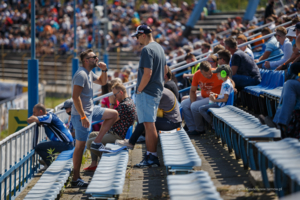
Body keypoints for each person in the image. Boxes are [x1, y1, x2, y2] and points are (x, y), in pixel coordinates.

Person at [71, 49, 118, 187]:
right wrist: (83, 116)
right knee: (80, 147)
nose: (97, 59)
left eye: (96, 56)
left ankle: (97, 141)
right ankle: (75, 179)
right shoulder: (81, 74)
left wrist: (104, 70)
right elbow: (75, 97)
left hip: (91, 110)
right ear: (86, 60)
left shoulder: (88, 72)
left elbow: (103, 83)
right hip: (82, 115)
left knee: (114, 114)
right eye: (94, 57)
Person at [131, 24, 167, 167]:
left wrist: (139, 90)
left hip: (147, 92)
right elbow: (165, 70)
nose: (137, 39)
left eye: (138, 36)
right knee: (149, 124)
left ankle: (152, 157)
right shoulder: (159, 47)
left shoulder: (147, 49)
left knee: (149, 125)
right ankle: (150, 156)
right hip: (156, 90)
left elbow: (147, 73)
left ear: (143, 35)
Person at [116, 88, 182, 149]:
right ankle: (135, 140)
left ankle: (131, 142)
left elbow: (149, 110)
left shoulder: (158, 93)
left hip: (173, 123)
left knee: (146, 119)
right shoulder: (159, 90)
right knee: (145, 119)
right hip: (171, 121)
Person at [89, 82, 136, 154]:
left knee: (89, 143)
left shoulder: (124, 105)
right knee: (91, 135)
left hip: (117, 136)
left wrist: (112, 104)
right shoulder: (129, 102)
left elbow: (110, 120)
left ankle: (101, 160)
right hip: (115, 133)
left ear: (120, 92)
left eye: (115, 94)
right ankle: (94, 163)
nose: (114, 97)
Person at [27, 103, 74, 171]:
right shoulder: (50, 115)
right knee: (45, 145)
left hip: (66, 144)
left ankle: (50, 165)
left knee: (38, 147)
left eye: (34, 112)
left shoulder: (48, 118)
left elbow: (30, 120)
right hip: (69, 143)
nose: (33, 114)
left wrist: (36, 119)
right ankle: (47, 162)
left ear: (40, 112)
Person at [181, 61, 223, 135]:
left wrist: (233, 89)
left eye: (210, 72)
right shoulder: (197, 74)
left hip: (214, 98)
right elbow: (192, 90)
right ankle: (192, 128)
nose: (209, 75)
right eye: (206, 74)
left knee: (194, 106)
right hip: (204, 97)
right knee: (184, 103)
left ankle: (199, 129)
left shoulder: (217, 72)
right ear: (201, 72)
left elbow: (230, 82)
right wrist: (193, 102)